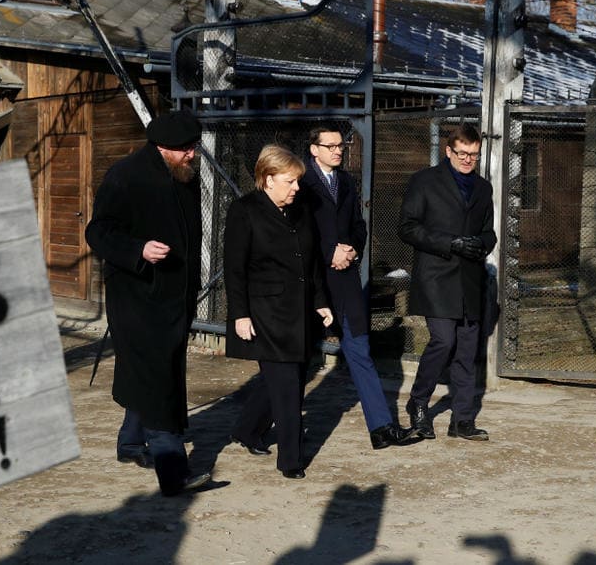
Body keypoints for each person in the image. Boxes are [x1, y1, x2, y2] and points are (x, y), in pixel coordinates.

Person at [84, 109, 212, 496]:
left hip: (176, 297)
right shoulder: (126, 175)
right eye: (186, 149)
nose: (193, 154)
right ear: (163, 147)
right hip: (137, 297)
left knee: (152, 371)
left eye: (194, 146)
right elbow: (98, 231)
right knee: (159, 381)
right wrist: (138, 249)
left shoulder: (183, 175)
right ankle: (174, 473)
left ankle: (129, 443)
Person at [299, 127, 417, 450]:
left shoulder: (347, 181)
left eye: (342, 145)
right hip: (313, 282)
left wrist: (350, 248)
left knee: (360, 351)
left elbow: (358, 226)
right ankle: (253, 425)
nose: (339, 150)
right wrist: (329, 252)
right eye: (332, 145)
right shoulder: (301, 183)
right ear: (314, 149)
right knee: (297, 358)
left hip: (347, 280)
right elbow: (299, 232)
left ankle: (381, 428)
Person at [224, 144, 333, 480]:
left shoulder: (298, 211)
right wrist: (240, 314)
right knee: (287, 385)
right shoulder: (244, 211)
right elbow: (235, 268)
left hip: (298, 311)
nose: (297, 188)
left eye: (298, 181)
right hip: (264, 313)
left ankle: (246, 430)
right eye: (290, 181)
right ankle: (292, 459)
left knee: (285, 379)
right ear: (268, 179)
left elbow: (311, 261)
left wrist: (320, 300)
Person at [397, 123, 496, 442]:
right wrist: (449, 243)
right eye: (463, 153)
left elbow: (489, 232)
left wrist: (482, 244)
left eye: (474, 155)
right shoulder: (424, 181)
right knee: (443, 340)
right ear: (449, 150)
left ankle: (463, 420)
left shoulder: (483, 188)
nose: (468, 160)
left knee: (468, 350)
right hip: (437, 276)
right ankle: (419, 403)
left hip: (470, 278)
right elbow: (407, 228)